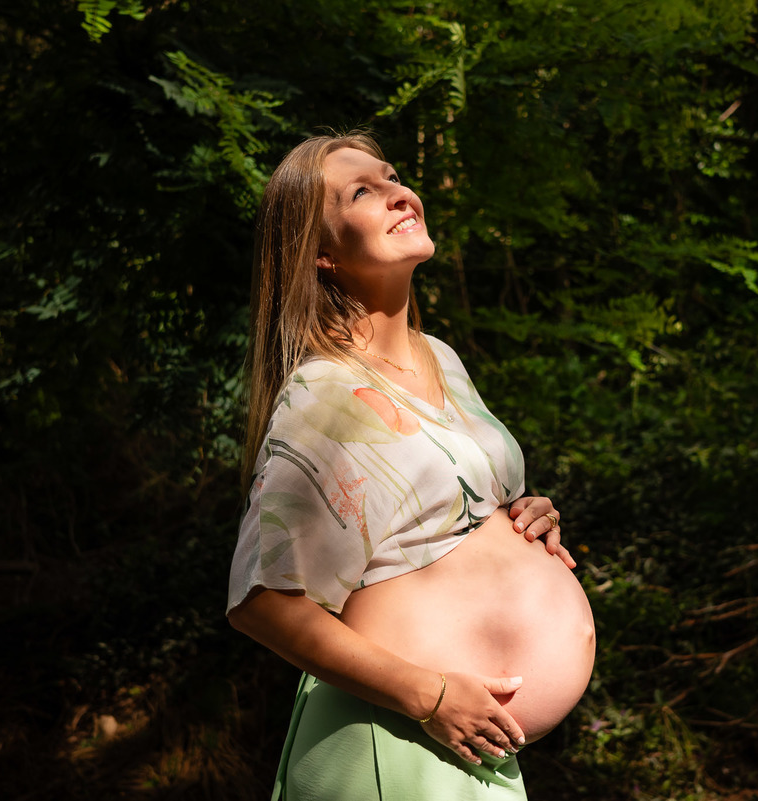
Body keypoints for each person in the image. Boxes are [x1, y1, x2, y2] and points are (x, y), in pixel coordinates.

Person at [226, 131, 596, 800]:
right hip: (392, 742)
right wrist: (428, 694)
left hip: (470, 748)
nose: (399, 192)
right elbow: (262, 601)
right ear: (322, 255)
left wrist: (521, 519)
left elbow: (442, 516)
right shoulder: (327, 393)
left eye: (392, 175)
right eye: (361, 192)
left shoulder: (442, 358)